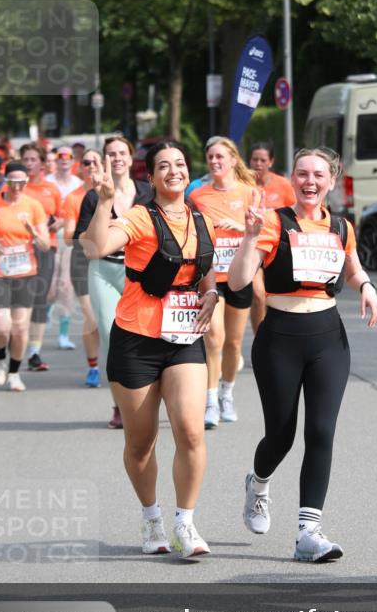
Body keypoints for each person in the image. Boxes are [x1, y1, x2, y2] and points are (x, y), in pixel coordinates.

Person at [228, 147, 377, 562]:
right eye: (301, 174)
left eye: (318, 174)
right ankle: (258, 484)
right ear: (292, 179)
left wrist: (365, 286)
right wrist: (247, 236)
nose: (309, 181)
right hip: (279, 336)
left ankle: (308, 533)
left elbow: (351, 268)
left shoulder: (342, 227)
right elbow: (240, 279)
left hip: (328, 337)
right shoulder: (274, 223)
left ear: (332, 181)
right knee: (281, 435)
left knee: (321, 431)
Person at [84, 141, 219, 558]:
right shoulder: (141, 217)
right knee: (141, 443)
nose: (173, 171)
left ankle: (185, 522)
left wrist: (212, 293)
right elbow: (96, 247)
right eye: (164, 166)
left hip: (183, 340)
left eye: (180, 163)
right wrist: (105, 200)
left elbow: (206, 269)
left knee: (191, 430)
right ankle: (151, 518)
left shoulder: (202, 220)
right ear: (151, 177)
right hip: (137, 340)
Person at [77, 136, 152, 428]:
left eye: (122, 153)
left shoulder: (147, 192)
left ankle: (146, 396)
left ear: (131, 158)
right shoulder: (94, 196)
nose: (117, 158)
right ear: (104, 159)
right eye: (111, 153)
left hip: (140, 272)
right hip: (103, 270)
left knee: (146, 333)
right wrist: (102, 224)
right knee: (111, 335)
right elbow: (84, 239)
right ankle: (120, 404)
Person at [189, 136, 257, 428]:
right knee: (213, 338)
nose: (215, 162)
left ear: (233, 160)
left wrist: (241, 227)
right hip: (211, 277)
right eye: (211, 157)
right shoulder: (199, 196)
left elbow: (266, 232)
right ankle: (210, 401)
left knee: (233, 342)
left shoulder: (250, 193)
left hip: (240, 276)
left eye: (220, 157)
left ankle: (227, 393)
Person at [0, 161, 50, 391]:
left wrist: (32, 231)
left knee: (20, 328)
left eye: (22, 182)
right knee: (1, 325)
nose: (17, 187)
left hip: (25, 273)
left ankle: (14, 373)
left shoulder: (33, 206)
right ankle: (0, 359)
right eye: (13, 182)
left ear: (26, 182)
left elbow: (44, 246)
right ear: (6, 181)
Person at [20, 143, 63, 371]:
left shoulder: (51, 189)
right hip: (20, 250)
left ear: (42, 163)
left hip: (47, 247)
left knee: (39, 300)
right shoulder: (16, 189)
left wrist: (55, 223)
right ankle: (16, 343)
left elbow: (63, 216)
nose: (29, 164)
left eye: (33, 159)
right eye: (25, 159)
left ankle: (34, 352)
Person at [62, 150, 101, 386]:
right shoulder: (74, 197)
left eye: (96, 161)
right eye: (87, 162)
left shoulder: (113, 191)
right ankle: (94, 367)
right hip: (82, 259)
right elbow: (68, 238)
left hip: (113, 258)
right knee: (92, 316)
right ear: (81, 167)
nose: (92, 166)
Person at [249, 141, 296, 333]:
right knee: (259, 295)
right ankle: (260, 337)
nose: (258, 164)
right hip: (254, 248)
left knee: (275, 297)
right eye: (254, 160)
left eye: (263, 160)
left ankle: (274, 335)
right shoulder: (244, 184)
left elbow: (295, 215)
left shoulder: (283, 185)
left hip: (278, 251)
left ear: (271, 162)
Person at [46, 145, 83, 349]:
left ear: (72, 160)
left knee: (66, 286)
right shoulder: (48, 183)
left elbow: (82, 212)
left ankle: (63, 334)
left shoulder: (78, 184)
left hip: (69, 239)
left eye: (68, 156)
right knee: (50, 288)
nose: (64, 160)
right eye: (60, 156)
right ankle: (43, 316)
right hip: (49, 239)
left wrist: (65, 221)